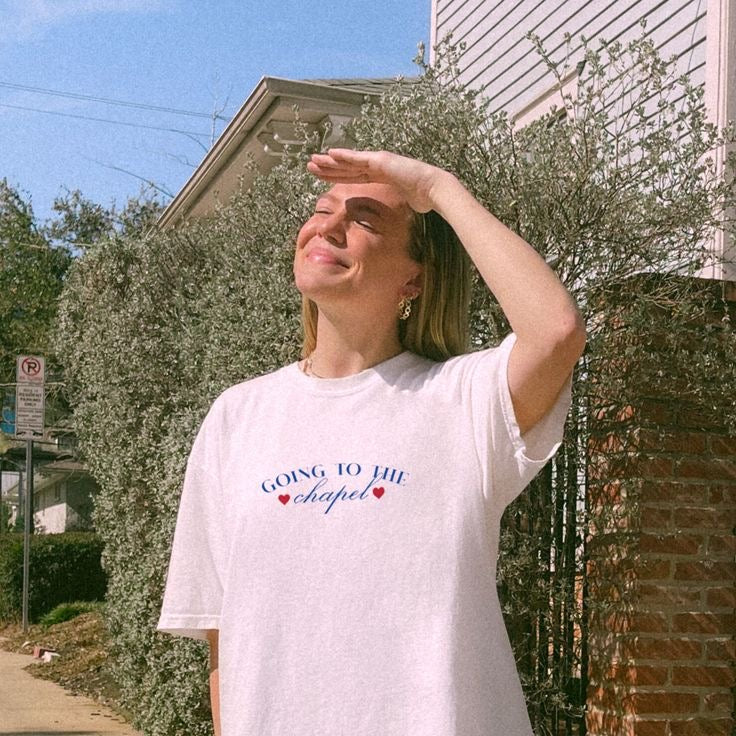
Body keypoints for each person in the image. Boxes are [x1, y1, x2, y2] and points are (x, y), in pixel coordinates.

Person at [156, 148, 587, 736]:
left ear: (414, 277)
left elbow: (557, 330)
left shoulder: (463, 401)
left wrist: (436, 187)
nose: (327, 226)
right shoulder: (238, 416)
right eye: (321, 209)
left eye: (364, 219)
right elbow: (222, 637)